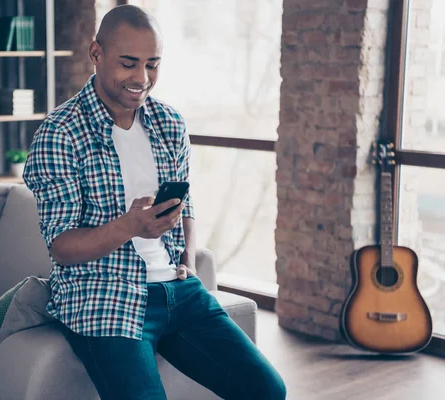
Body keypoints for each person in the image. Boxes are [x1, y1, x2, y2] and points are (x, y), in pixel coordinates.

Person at [23, 5, 286, 400]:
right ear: (96, 53)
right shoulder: (60, 134)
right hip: (103, 295)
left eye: (153, 65)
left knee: (267, 389)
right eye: (128, 63)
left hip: (179, 294)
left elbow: (186, 201)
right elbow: (61, 247)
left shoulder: (169, 123)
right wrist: (128, 226)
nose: (141, 79)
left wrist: (189, 258)